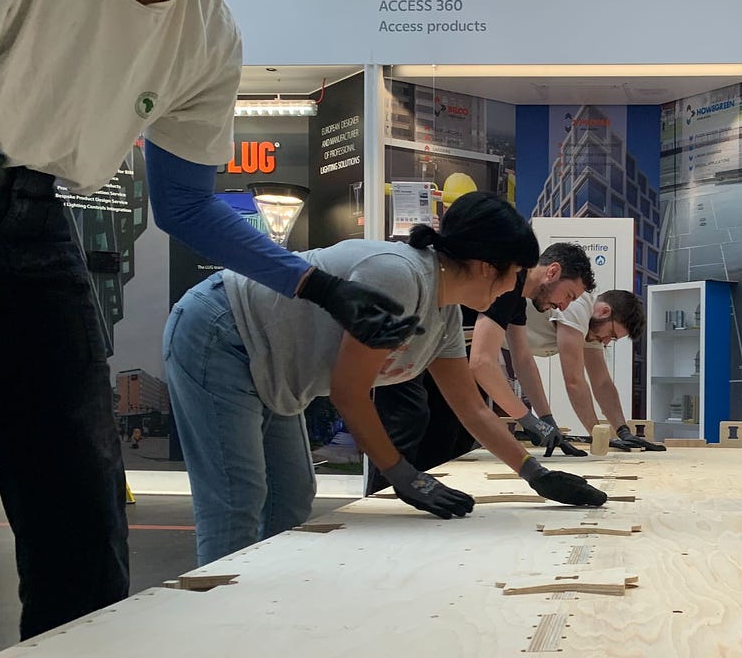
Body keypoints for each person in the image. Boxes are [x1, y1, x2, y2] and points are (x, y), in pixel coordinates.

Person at [0, 0, 422, 658]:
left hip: (34, 214)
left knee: (82, 499)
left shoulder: (206, 34)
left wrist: (317, 287)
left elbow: (187, 205)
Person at [166, 193, 608, 565]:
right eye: (513, 274)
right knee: (237, 498)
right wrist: (404, 476)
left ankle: (261, 605)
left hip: (274, 364)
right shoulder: (400, 277)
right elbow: (349, 392)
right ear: (483, 265)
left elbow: (471, 408)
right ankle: (220, 628)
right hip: (222, 333)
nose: (515, 288)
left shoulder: (445, 313)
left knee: (291, 495)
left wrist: (536, 474)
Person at [366, 240, 596, 494]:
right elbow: (482, 363)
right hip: (408, 336)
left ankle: (426, 502)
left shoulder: (517, 298)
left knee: (449, 430)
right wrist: (529, 420)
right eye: (568, 296)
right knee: (407, 419)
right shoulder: (508, 282)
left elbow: (523, 359)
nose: (563, 306)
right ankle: (384, 499)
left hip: (436, 345)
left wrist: (546, 419)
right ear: (552, 272)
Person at [517, 289, 663, 452]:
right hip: (490, 332)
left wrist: (623, 431)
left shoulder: (592, 330)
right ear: (604, 311)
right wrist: (598, 435)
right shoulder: (576, 307)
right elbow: (574, 381)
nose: (607, 342)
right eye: (611, 334)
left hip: (507, 344)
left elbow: (602, 383)